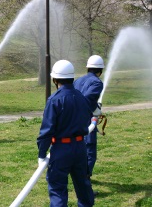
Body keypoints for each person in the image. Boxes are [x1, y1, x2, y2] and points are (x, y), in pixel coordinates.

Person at [37, 60, 94, 207]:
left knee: (57, 189)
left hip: (61, 150)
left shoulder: (55, 100)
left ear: (55, 79)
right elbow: (87, 119)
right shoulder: (82, 98)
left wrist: (42, 154)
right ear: (72, 78)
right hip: (80, 147)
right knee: (83, 186)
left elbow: (47, 131)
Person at [74, 55, 104, 182]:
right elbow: (88, 99)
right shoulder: (97, 82)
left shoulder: (77, 80)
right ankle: (84, 180)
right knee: (90, 151)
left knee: (78, 149)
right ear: (100, 71)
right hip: (86, 120)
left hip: (73, 119)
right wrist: (96, 110)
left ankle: (79, 176)